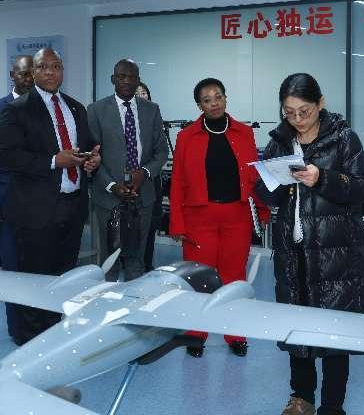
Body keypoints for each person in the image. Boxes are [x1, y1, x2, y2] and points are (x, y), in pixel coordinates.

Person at [255, 73, 364, 415]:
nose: (296, 119)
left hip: (336, 251)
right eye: (289, 112)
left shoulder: (343, 138)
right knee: (296, 328)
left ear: (320, 104)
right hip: (293, 251)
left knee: (336, 332)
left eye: (304, 111)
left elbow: (362, 188)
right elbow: (266, 194)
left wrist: (322, 178)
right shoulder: (279, 142)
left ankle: (332, 406)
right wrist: (272, 182)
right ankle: (301, 398)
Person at [0, 47, 99, 342]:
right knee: (35, 280)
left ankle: (54, 334)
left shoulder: (76, 108)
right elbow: (7, 155)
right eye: (44, 67)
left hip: (72, 206)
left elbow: (87, 146)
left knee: (62, 277)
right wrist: (54, 161)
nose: (51, 72)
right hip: (35, 211)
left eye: (56, 66)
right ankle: (31, 340)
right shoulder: (17, 110)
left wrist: (92, 159)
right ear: (33, 72)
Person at [168, 77, 266, 358]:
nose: (214, 103)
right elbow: (178, 182)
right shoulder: (186, 136)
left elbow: (254, 174)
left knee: (234, 278)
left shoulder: (244, 132)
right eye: (207, 100)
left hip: (237, 215)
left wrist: (261, 209)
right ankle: (195, 334)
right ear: (199, 105)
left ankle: (235, 334)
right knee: (199, 278)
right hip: (199, 218)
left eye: (218, 97)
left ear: (225, 98)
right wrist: (177, 222)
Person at [88, 59, 168, 280]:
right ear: (113, 79)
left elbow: (161, 152)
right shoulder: (96, 110)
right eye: (121, 76)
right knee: (109, 260)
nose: (126, 81)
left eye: (131, 77)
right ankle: (107, 298)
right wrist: (112, 185)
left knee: (137, 259)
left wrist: (145, 173)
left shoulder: (151, 110)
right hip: (109, 197)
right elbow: (92, 155)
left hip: (143, 196)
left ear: (138, 80)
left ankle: (136, 298)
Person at [0, 55, 35, 344]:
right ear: (12, 75)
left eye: (32, 74)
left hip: (41, 203)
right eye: (23, 74)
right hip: (7, 202)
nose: (28, 79)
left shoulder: (45, 108)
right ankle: (17, 329)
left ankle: (37, 325)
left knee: (38, 267)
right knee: (12, 267)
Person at [134, 81, 164, 271]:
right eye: (137, 93)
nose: (141, 95)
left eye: (144, 92)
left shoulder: (154, 116)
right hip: (128, 180)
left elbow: (160, 151)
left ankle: (146, 262)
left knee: (151, 222)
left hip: (151, 178)